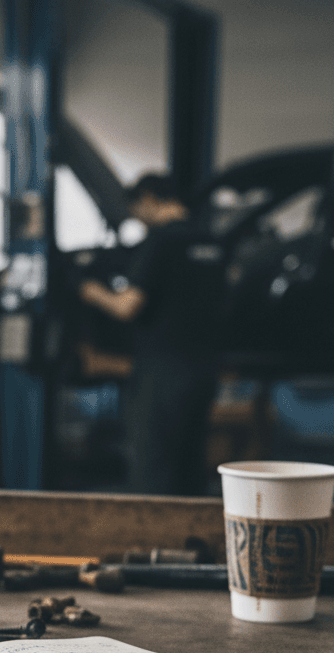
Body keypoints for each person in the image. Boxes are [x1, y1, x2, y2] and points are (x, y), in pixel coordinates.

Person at [79, 174, 223, 495]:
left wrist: (91, 292)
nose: (136, 217)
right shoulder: (212, 242)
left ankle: (154, 543)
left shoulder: (159, 241)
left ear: (147, 199)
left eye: (136, 208)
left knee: (153, 468)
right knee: (189, 465)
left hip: (163, 373)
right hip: (204, 371)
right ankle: (191, 541)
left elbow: (127, 306)